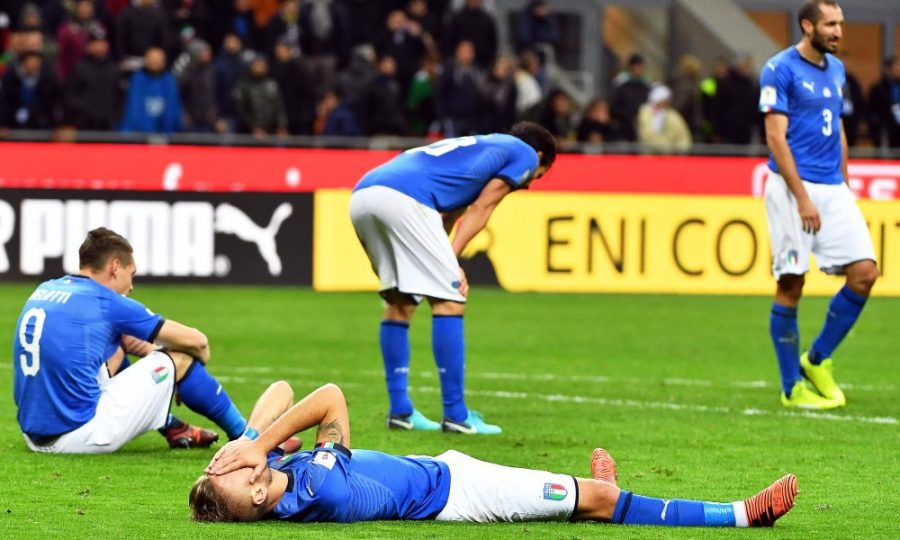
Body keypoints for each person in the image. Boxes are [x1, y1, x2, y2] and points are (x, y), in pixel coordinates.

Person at [193, 380, 797, 527]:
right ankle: (742, 514)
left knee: (585, 495)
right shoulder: (315, 489)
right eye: (231, 470)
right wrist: (256, 444)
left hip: (446, 469)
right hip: (460, 497)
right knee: (602, 501)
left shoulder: (270, 474)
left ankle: (583, 490)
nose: (234, 458)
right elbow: (328, 398)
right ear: (251, 492)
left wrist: (247, 440)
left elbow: (279, 394)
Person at [348, 122, 557, 435]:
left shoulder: (478, 149)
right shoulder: (524, 153)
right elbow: (481, 208)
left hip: (364, 195)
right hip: (406, 200)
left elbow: (449, 216)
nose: (529, 183)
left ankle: (400, 411)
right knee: (450, 298)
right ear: (540, 155)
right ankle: (456, 416)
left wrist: (443, 258)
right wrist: (451, 263)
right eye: (540, 174)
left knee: (400, 301)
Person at [12, 227, 250, 453]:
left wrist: (161, 375)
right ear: (115, 267)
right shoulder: (106, 301)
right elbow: (197, 342)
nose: (132, 286)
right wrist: (186, 366)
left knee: (116, 348)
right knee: (181, 359)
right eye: (131, 273)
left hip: (33, 436)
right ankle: (246, 437)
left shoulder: (46, 289)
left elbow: (124, 339)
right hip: (78, 434)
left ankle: (173, 426)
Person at [758, 0, 878, 410]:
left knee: (865, 273)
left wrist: (845, 178)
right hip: (792, 186)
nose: (839, 32)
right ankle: (792, 386)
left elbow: (837, 125)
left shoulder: (838, 70)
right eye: (830, 24)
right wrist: (804, 198)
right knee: (792, 282)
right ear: (807, 25)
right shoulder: (779, 69)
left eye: (841, 24)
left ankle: (817, 359)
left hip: (832, 185)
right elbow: (776, 137)